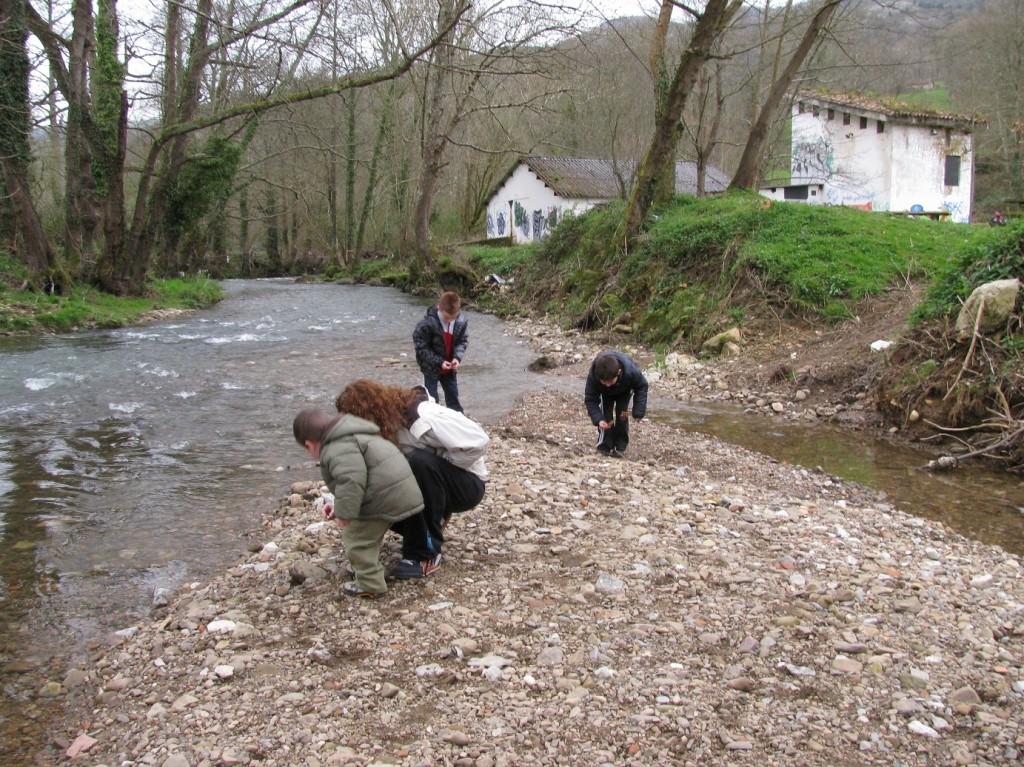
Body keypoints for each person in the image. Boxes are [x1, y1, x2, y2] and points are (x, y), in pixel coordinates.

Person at [336, 379, 488, 579]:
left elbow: (478, 440)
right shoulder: (383, 430)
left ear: (367, 413)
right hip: (435, 483)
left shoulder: (424, 415)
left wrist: (444, 465)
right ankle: (426, 526)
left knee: (418, 463)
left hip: (467, 485)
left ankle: (426, 555)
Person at [292, 408, 427, 599]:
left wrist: (345, 513)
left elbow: (351, 480)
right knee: (369, 530)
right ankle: (368, 566)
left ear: (309, 445)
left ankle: (370, 584)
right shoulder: (355, 433)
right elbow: (362, 476)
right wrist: (339, 504)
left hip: (386, 498)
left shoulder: (336, 447)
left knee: (357, 538)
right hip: (402, 492)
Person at [584, 351, 649, 457]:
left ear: (619, 372)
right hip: (604, 393)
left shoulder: (631, 371)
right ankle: (604, 445)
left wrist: (638, 412)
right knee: (606, 417)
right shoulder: (594, 375)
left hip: (624, 389)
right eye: (604, 382)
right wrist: (598, 419)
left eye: (610, 381)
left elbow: (642, 386)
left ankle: (620, 446)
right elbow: (591, 399)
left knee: (622, 416)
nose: (608, 385)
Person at [413, 291, 468, 412]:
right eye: (447, 318)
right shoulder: (426, 324)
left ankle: (458, 420)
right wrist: (439, 362)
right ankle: (433, 420)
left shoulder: (460, 322)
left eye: (453, 318)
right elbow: (421, 347)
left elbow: (462, 342)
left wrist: (457, 358)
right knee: (432, 399)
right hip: (431, 367)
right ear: (439, 308)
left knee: (453, 396)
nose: (450, 321)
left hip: (450, 367)